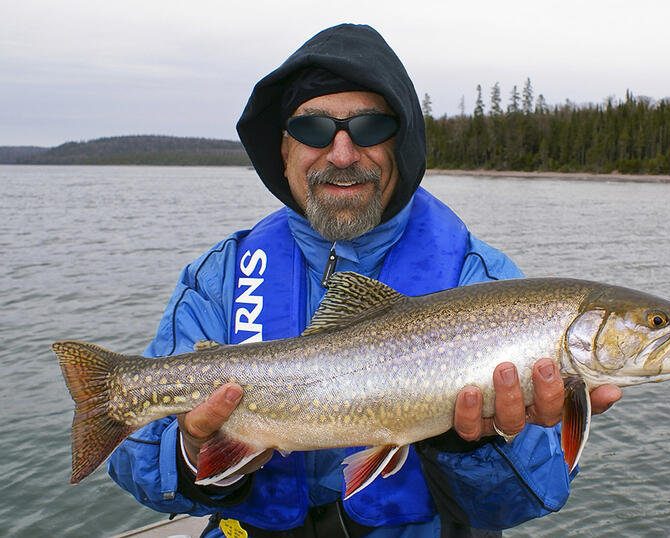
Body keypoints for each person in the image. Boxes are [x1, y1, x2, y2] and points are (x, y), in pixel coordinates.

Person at [108, 23, 621, 537]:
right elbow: (137, 472)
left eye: (370, 127)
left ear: (401, 144)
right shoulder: (216, 279)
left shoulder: (483, 282)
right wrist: (191, 451)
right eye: (313, 130)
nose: (343, 154)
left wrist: (472, 443)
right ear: (282, 149)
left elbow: (534, 497)